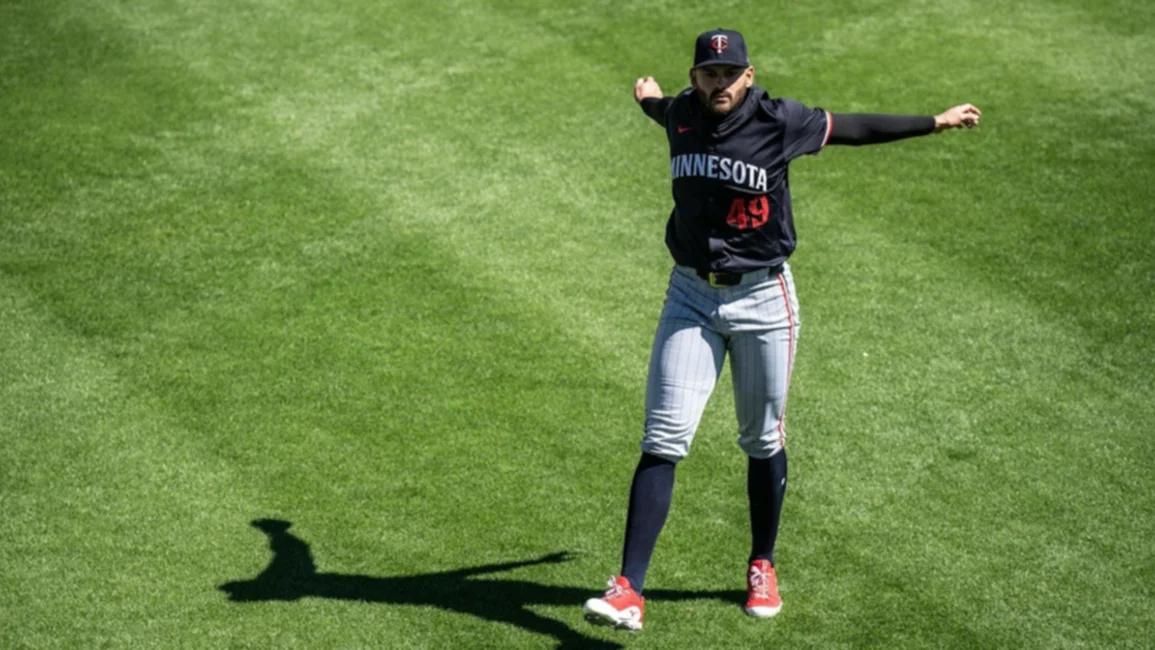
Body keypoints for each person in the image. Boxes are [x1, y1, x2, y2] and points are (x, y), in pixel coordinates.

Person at [582, 28, 981, 631]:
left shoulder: (780, 121)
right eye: (709, 74)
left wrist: (935, 121)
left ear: (749, 76)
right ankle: (628, 589)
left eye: (731, 74)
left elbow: (853, 127)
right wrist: (647, 97)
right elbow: (659, 109)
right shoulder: (681, 115)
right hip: (689, 294)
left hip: (765, 299)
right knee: (663, 436)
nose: (720, 83)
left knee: (761, 438)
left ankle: (761, 562)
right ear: (695, 78)